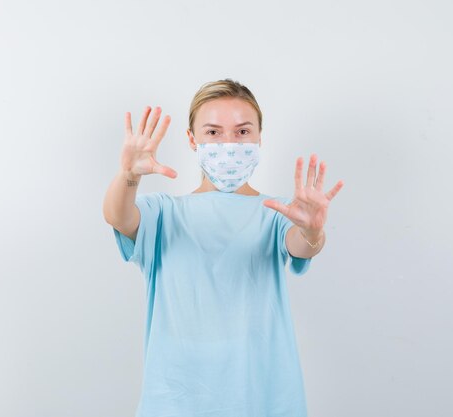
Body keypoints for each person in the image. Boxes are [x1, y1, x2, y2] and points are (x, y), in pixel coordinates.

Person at [102, 79, 344, 417]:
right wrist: (128, 174)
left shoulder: (277, 212)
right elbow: (118, 216)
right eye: (213, 133)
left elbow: (303, 245)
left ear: (260, 137)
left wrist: (312, 228)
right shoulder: (163, 212)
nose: (229, 144)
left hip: (263, 397)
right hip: (176, 400)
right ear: (192, 139)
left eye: (243, 132)